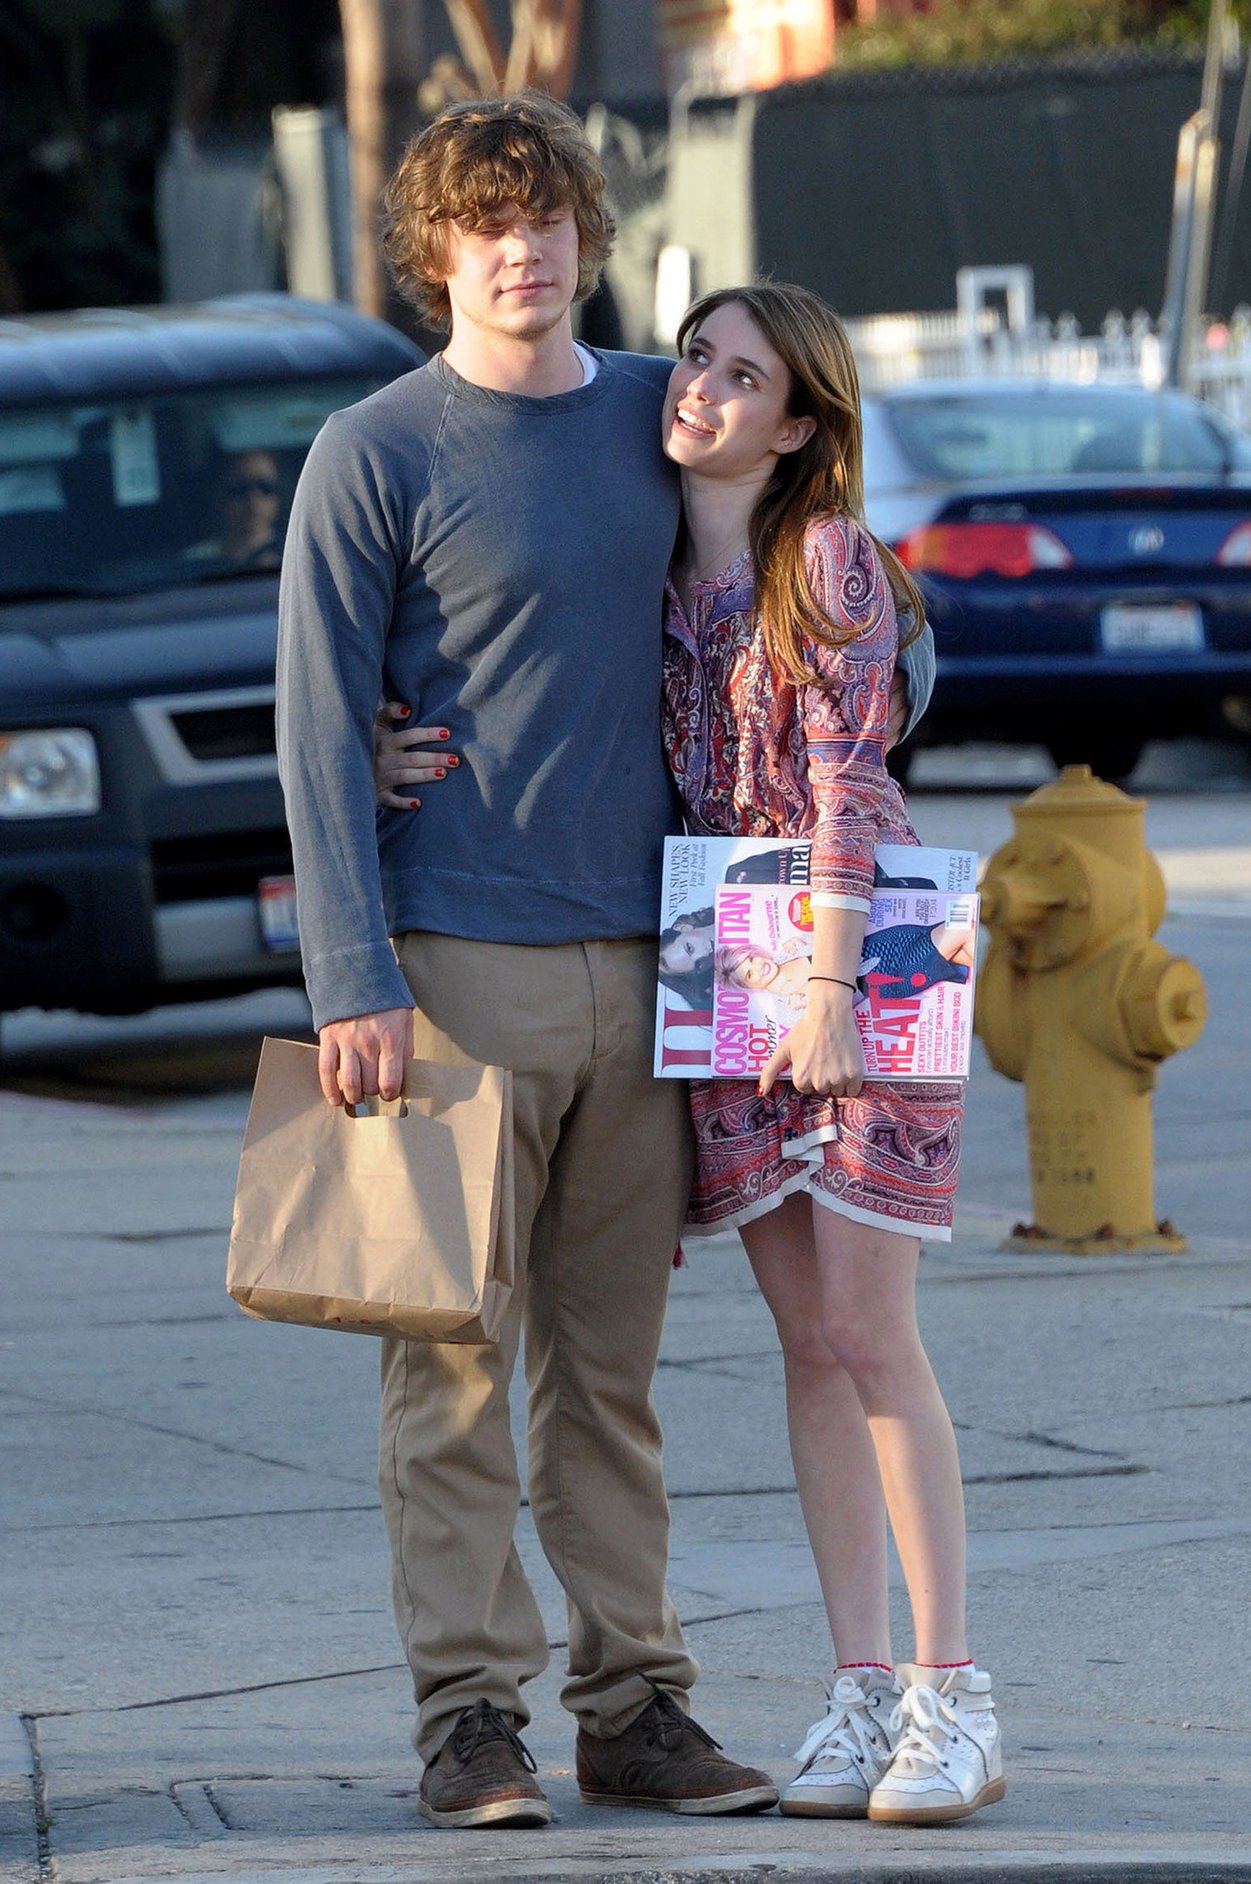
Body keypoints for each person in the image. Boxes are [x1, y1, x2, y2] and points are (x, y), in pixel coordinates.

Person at [275, 92, 783, 1832]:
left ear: (586, 230)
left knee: (612, 1372)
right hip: (448, 967)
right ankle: (469, 1718)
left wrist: (881, 695)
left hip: (655, 961)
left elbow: (821, 589)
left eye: (551, 210)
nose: (527, 242)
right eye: (490, 220)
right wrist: (353, 974)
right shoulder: (376, 448)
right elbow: (316, 723)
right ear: (436, 254)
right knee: (453, 1367)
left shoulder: (666, 414)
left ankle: (636, 1704)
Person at [660, 281, 1004, 1828]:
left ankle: (953, 1698)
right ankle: (856, 1694)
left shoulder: (825, 562)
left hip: (852, 969)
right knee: (803, 1349)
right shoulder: (653, 576)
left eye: (743, 376)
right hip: (719, 978)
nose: (704, 390)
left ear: (796, 422)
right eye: (693, 359)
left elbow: (848, 778)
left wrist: (822, 985)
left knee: (871, 1335)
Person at [186, 448, 285, 570]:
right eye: (240, 489)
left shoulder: (296, 556)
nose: (253, 500)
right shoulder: (193, 564)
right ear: (219, 496)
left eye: (265, 486)